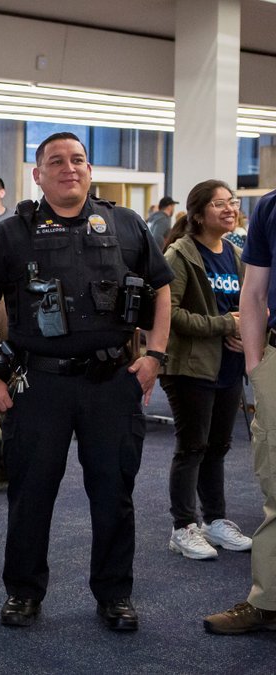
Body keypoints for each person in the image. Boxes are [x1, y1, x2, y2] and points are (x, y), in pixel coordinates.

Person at [0, 131, 172, 632]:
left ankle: (115, 595)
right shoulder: (11, 234)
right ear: (37, 175)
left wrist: (155, 355)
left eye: (79, 159)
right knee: (30, 493)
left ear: (90, 170)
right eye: (56, 161)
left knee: (114, 494)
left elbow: (161, 288)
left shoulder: (126, 224)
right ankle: (23, 592)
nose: (70, 168)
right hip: (38, 383)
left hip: (111, 383)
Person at [160, 180, 253, 561]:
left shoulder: (235, 254)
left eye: (232, 202)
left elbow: (249, 309)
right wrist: (225, 325)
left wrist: (245, 335)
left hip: (228, 366)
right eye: (219, 204)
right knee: (192, 447)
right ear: (198, 214)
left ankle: (215, 520)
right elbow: (171, 314)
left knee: (218, 446)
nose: (230, 209)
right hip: (190, 366)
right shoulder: (180, 254)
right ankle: (183, 526)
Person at [203, 186, 276, 634]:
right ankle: (268, 600)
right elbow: (253, 294)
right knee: (275, 486)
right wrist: (256, 366)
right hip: (275, 362)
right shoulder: (270, 206)